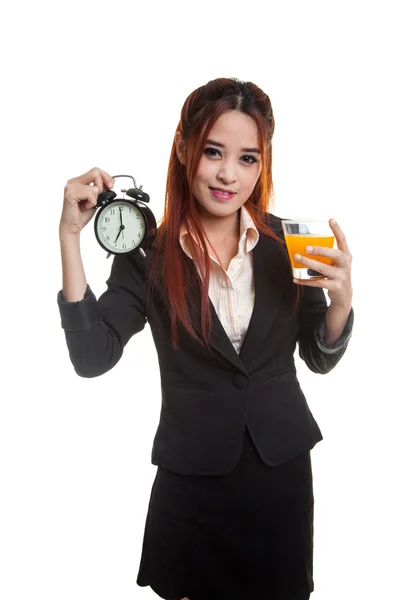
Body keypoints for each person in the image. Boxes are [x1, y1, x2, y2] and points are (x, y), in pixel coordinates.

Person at [57, 77, 354, 600]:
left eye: (248, 159)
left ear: (263, 165)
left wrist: (343, 303)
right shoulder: (146, 255)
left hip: (279, 476)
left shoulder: (293, 242)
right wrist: (69, 241)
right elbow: (91, 357)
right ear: (183, 147)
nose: (228, 174)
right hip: (193, 484)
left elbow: (319, 357)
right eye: (214, 151)